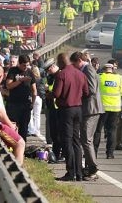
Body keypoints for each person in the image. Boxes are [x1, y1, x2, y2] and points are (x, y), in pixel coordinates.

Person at [53, 53, 89, 181]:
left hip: (66, 109)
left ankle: (70, 172)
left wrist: (49, 94)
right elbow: (86, 92)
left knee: (67, 141)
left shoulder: (61, 74)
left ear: (61, 62)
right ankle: (79, 173)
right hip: (78, 109)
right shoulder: (81, 74)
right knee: (76, 141)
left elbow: (56, 94)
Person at [72, 51, 104, 180]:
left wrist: (77, 93)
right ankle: (90, 167)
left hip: (91, 109)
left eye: (75, 64)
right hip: (88, 109)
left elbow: (91, 89)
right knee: (85, 139)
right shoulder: (85, 69)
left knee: (86, 139)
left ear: (80, 60)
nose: (75, 67)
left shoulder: (88, 69)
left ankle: (93, 168)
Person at [94, 63, 122, 159]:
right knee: (112, 131)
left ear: (104, 69)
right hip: (115, 108)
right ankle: (110, 153)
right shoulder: (119, 78)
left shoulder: (99, 77)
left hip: (102, 108)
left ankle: (94, 152)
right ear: (112, 69)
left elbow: (94, 90)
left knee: (98, 130)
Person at [5, 54, 36, 141]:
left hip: (26, 104)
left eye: (27, 65)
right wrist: (20, 81)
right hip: (14, 104)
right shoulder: (13, 71)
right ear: (19, 63)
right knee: (13, 127)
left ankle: (22, 147)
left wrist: (32, 103)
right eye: (24, 65)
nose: (25, 67)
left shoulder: (30, 72)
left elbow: (34, 90)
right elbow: (8, 86)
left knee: (24, 128)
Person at [43, 58, 63, 163]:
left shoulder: (60, 75)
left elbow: (56, 92)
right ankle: (55, 155)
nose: (48, 72)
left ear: (52, 67)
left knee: (59, 134)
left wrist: (47, 92)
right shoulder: (51, 77)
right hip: (52, 107)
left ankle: (60, 154)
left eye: (48, 70)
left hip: (58, 108)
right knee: (54, 134)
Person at [28, 65, 45, 138]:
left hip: (31, 97)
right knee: (37, 115)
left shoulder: (29, 79)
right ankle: (37, 131)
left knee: (30, 114)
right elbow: (42, 89)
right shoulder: (41, 79)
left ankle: (31, 130)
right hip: (38, 97)